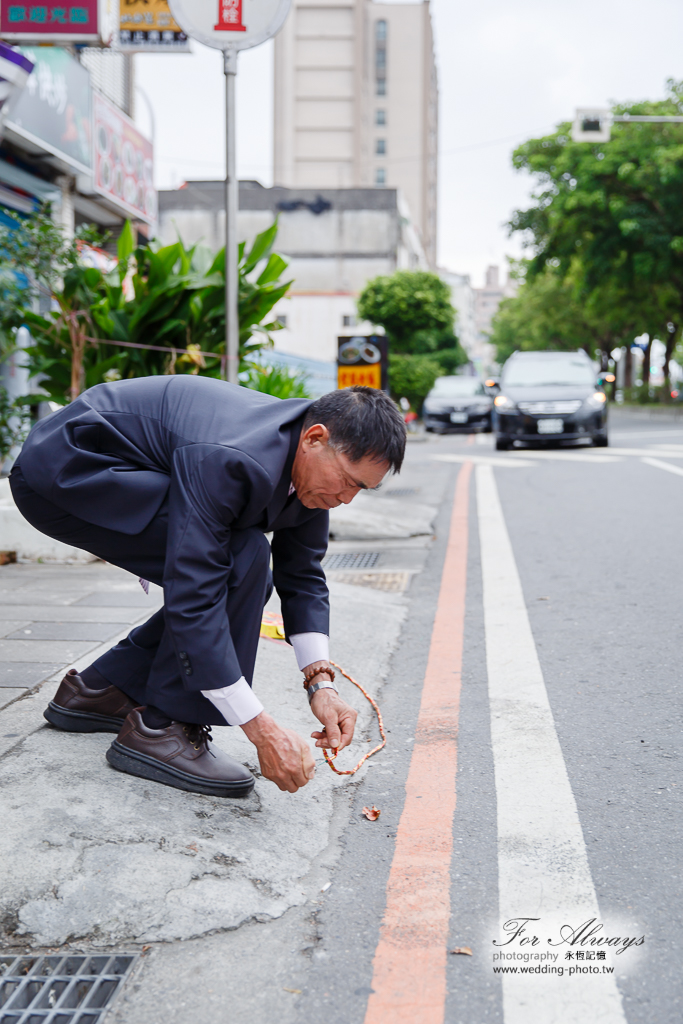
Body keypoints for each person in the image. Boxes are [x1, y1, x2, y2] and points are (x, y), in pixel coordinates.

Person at [9, 377, 406, 800]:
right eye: (347, 481)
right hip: (69, 470)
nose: (346, 499)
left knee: (245, 560)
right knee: (243, 558)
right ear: (314, 437)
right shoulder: (233, 459)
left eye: (359, 489)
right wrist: (260, 728)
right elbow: (194, 593)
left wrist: (320, 684)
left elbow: (303, 574)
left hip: (127, 469)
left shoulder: (310, 473)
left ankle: (103, 689)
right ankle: (162, 729)